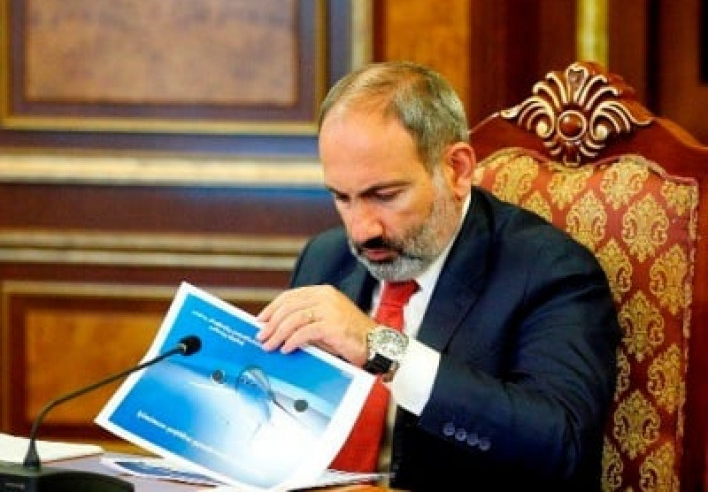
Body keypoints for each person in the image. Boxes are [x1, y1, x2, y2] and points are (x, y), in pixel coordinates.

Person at [256, 61, 620, 491]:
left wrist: (380, 347)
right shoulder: (325, 257)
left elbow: (563, 444)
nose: (361, 230)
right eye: (342, 198)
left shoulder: (548, 270)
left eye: (384, 195)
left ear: (457, 170)